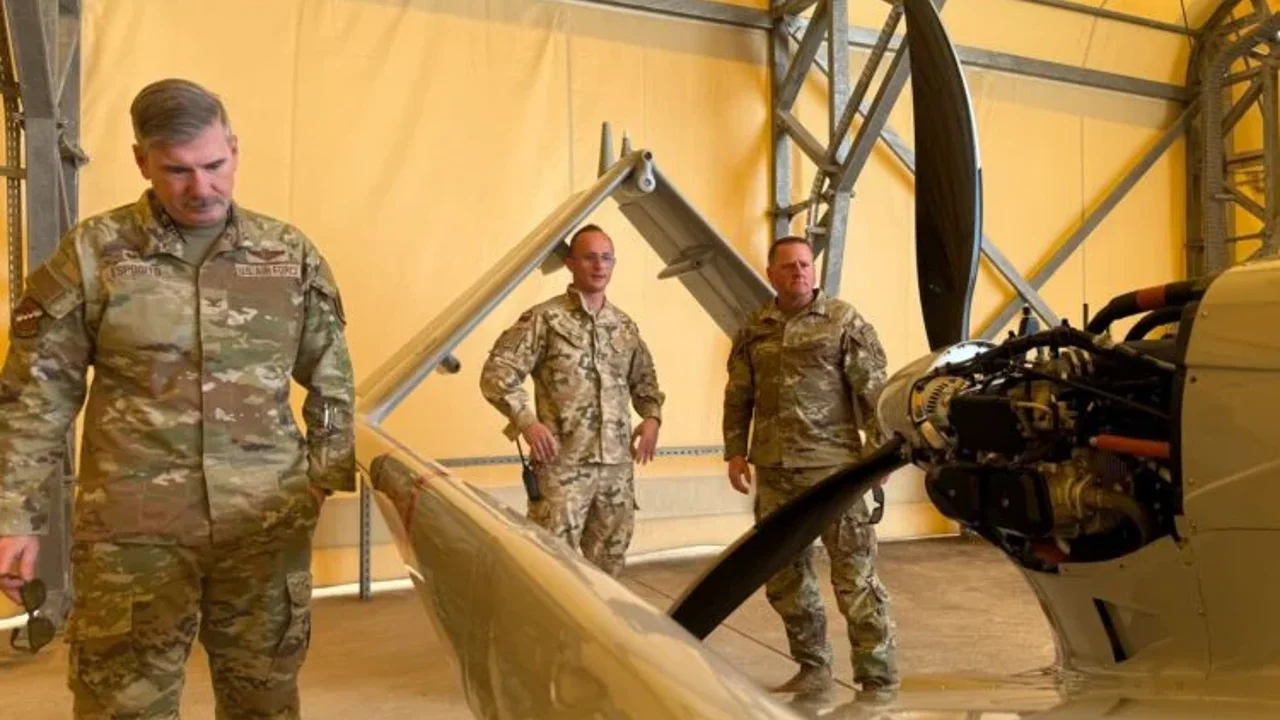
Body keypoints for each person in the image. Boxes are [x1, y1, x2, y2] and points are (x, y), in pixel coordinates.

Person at [0, 78, 355, 718]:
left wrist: (322, 480)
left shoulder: (287, 255)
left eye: (215, 165)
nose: (202, 187)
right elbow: (36, 394)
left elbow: (331, 376)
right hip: (133, 535)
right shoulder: (94, 254)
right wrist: (13, 515)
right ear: (142, 161)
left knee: (265, 702)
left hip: (263, 528)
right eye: (178, 171)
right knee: (123, 705)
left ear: (235, 150)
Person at [722, 236, 898, 698]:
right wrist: (735, 450)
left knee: (855, 577)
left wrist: (881, 454)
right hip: (776, 472)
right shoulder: (755, 328)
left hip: (834, 471)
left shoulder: (843, 321)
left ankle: (877, 676)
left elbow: (873, 390)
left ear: (814, 271)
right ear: (771, 274)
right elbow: (739, 394)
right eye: (789, 266)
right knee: (784, 579)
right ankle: (813, 666)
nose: (799, 271)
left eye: (805, 264)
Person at [479, 224, 664, 577]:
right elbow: (496, 373)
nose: (599, 265)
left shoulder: (623, 326)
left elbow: (645, 381)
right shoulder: (544, 319)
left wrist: (652, 418)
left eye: (606, 258)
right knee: (551, 571)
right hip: (562, 469)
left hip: (615, 471)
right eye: (590, 257)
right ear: (571, 264)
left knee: (608, 570)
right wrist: (526, 421)